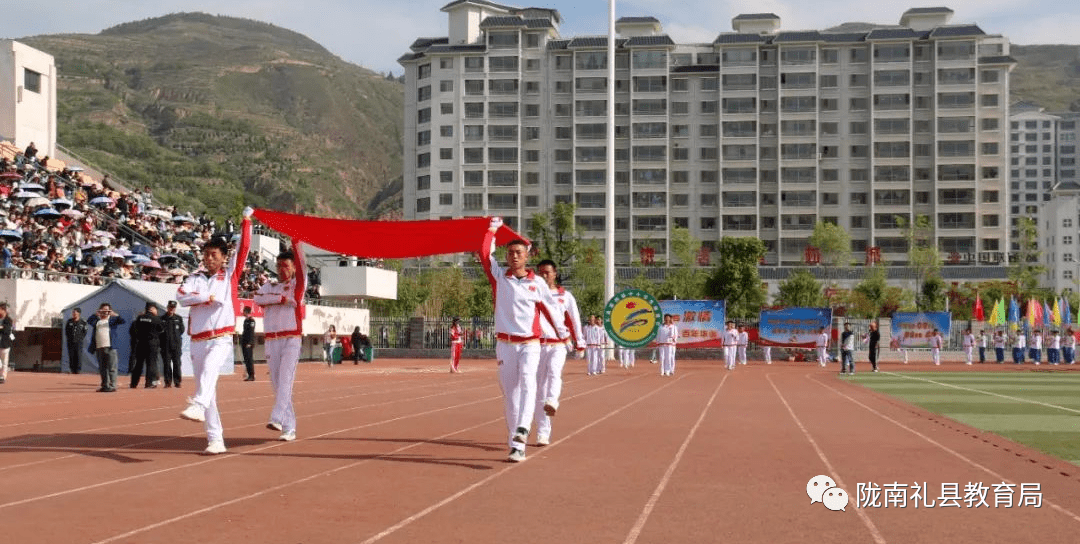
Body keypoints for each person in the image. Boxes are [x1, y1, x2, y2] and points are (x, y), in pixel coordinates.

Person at [480, 217, 568, 463]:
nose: (514, 256)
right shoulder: (499, 278)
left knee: (529, 382)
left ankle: (522, 430)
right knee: (510, 394)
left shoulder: (537, 283)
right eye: (510, 253)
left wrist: (563, 334)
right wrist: (492, 230)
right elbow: (485, 253)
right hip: (504, 345)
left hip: (530, 344)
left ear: (527, 256)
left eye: (518, 252)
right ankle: (515, 444)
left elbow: (551, 310)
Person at [176, 208, 252, 455]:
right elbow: (181, 297)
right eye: (206, 254)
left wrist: (246, 221)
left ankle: (197, 403)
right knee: (209, 390)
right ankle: (215, 439)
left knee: (209, 374)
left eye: (214, 255)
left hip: (221, 337)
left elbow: (243, 250)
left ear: (222, 258)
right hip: (197, 339)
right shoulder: (194, 277)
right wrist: (206, 297)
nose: (209, 259)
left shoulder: (229, 275)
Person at [253, 242, 306, 442]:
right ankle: (289, 427)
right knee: (277, 384)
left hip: (291, 338)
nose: (281, 269)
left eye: (285, 265)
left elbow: (301, 269)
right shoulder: (268, 285)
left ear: (293, 267)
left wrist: (296, 244)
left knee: (285, 381)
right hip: (271, 339)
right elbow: (258, 298)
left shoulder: (297, 284)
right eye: (278, 266)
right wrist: (280, 299)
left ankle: (276, 418)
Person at [533, 259, 584, 447]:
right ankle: (542, 432)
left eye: (547, 272)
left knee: (555, 371)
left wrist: (580, 342)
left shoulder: (566, 296)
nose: (544, 276)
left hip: (559, 344)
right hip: (537, 346)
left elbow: (575, 320)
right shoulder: (533, 295)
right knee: (539, 389)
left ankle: (553, 400)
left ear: (555, 273)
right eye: (540, 273)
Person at [86, 302, 125, 392]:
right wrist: (95, 314)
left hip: (110, 347)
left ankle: (112, 385)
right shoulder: (97, 320)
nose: (105, 312)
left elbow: (122, 321)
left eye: (107, 310)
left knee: (111, 367)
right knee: (102, 368)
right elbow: (89, 321)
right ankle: (105, 385)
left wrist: (115, 315)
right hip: (99, 347)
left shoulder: (112, 320)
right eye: (103, 310)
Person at [130, 302, 164, 388]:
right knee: (151, 363)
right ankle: (149, 383)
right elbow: (161, 329)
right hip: (152, 343)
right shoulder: (156, 319)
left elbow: (135, 329)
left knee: (138, 363)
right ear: (153, 309)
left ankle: (133, 383)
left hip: (141, 342)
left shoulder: (140, 318)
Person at [159, 301, 185, 387]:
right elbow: (159, 331)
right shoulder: (162, 318)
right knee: (166, 364)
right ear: (167, 307)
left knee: (177, 364)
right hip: (165, 345)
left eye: (173, 308)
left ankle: (177, 382)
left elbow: (181, 330)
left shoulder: (178, 318)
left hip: (176, 345)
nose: (171, 309)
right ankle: (168, 382)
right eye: (170, 307)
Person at [65, 307, 88, 374]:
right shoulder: (69, 321)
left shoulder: (83, 322)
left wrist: (80, 338)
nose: (74, 314)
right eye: (73, 312)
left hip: (79, 341)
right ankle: (72, 369)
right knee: (71, 355)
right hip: (70, 341)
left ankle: (78, 370)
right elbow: (67, 331)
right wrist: (69, 338)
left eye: (75, 312)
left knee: (78, 355)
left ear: (79, 313)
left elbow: (85, 331)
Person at [239, 306, 256, 380]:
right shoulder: (245, 320)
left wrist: (249, 342)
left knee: (249, 359)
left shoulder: (251, 320)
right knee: (246, 359)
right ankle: (249, 375)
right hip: (244, 343)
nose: (243, 312)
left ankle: (252, 375)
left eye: (244, 311)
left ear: (246, 312)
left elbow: (251, 333)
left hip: (248, 343)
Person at [0, 303, 12, 384]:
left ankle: (2, 377)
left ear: (3, 310)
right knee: (1, 364)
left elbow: (7, 330)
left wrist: (1, 327)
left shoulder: (8, 320)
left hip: (5, 344)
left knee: (4, 362)